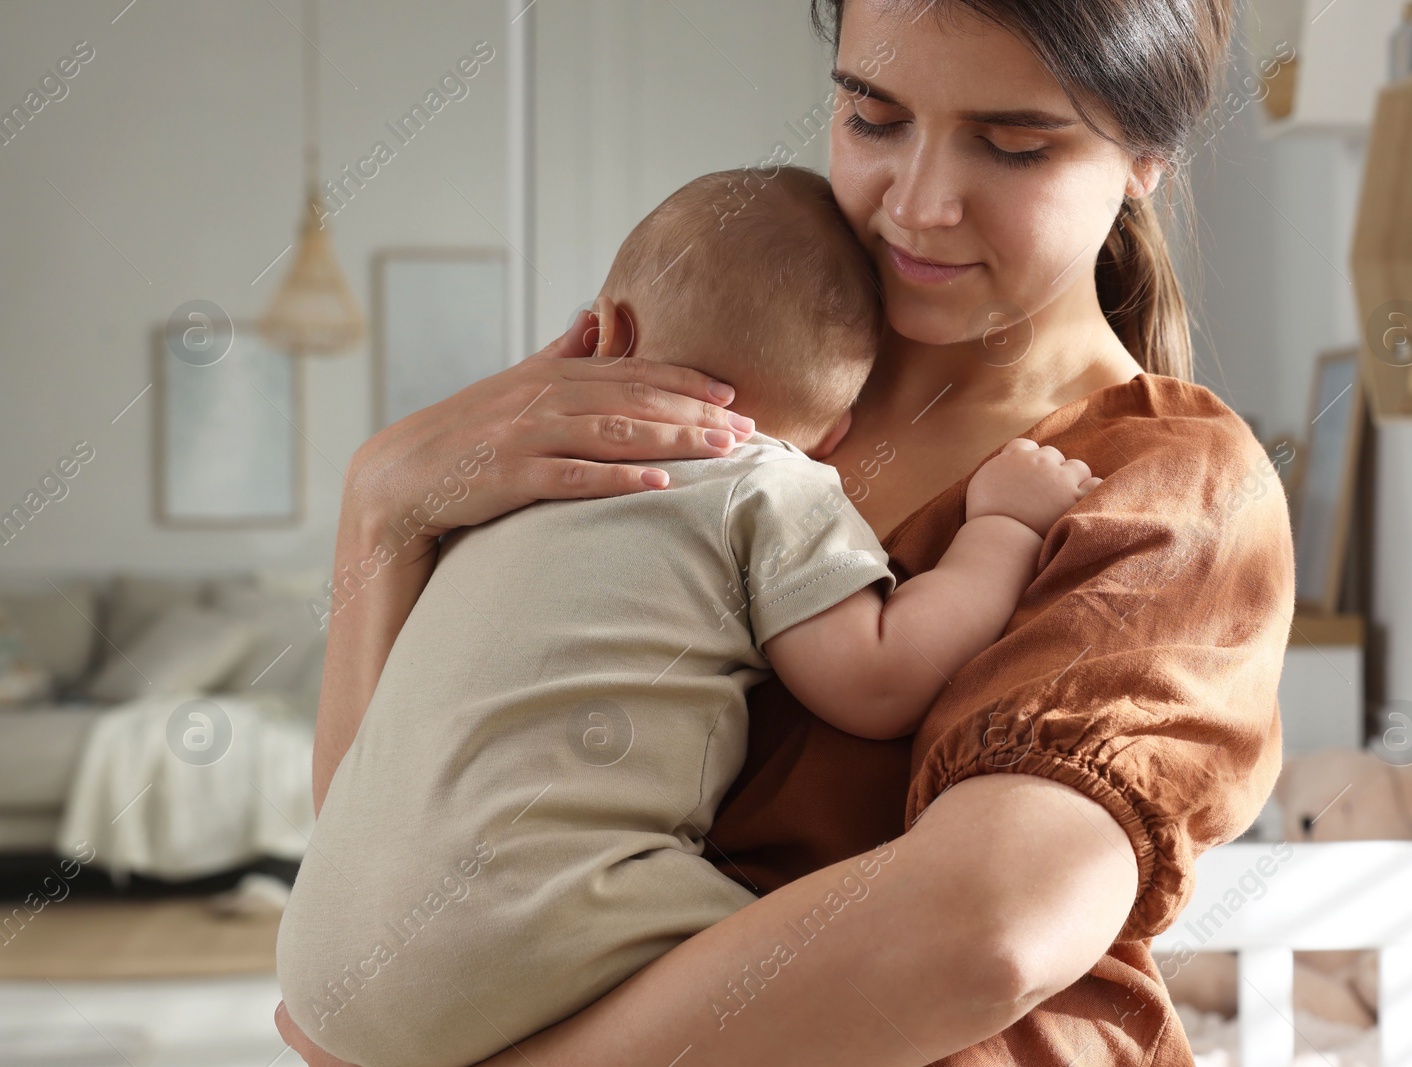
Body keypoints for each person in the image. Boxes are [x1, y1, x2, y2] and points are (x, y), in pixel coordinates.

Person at [275, 0, 1294, 1063]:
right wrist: (384, 506)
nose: (919, 204)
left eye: (1010, 145)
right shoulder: (680, 384)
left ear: (1147, 155)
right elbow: (391, 838)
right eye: (872, 118)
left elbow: (990, 931)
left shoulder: (1168, 487)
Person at [274, 165, 1102, 1067]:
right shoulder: (764, 480)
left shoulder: (499, 485)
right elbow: (878, 678)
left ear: (610, 333)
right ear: (833, 432)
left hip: (321, 961)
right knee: (804, 971)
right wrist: (1002, 528)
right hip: (516, 932)